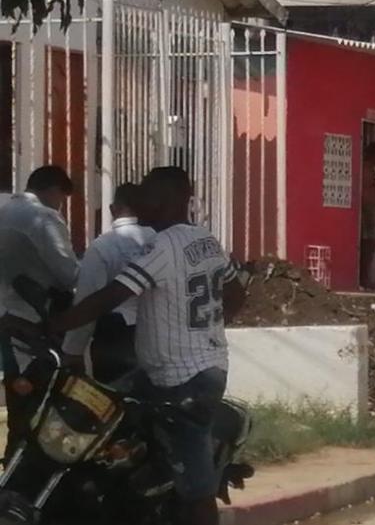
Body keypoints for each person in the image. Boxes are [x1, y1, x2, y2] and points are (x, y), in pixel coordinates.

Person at [51, 166, 247, 525]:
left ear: (169, 200)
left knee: (196, 489)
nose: (139, 201)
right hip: (186, 370)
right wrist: (205, 330)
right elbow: (236, 294)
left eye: (147, 194)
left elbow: (109, 296)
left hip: (183, 382)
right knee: (120, 434)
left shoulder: (163, 246)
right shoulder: (206, 240)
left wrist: (52, 325)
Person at [0, 165, 78, 462]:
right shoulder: (43, 218)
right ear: (54, 190)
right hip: (34, 325)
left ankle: (14, 469)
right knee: (42, 408)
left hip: (7, 320)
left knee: (18, 407)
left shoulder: (5, 211)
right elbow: (68, 274)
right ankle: (33, 472)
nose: (60, 206)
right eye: (61, 199)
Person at [62, 183, 156, 385]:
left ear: (113, 209)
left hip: (115, 336)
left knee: (114, 397)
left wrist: (73, 350)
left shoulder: (102, 246)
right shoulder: (159, 240)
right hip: (158, 331)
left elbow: (88, 301)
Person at [360, 141, 375, 288]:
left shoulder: (373, 169)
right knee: (369, 243)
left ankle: (366, 277)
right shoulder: (366, 169)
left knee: (371, 243)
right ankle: (364, 278)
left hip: (371, 208)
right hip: (367, 209)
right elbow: (364, 189)